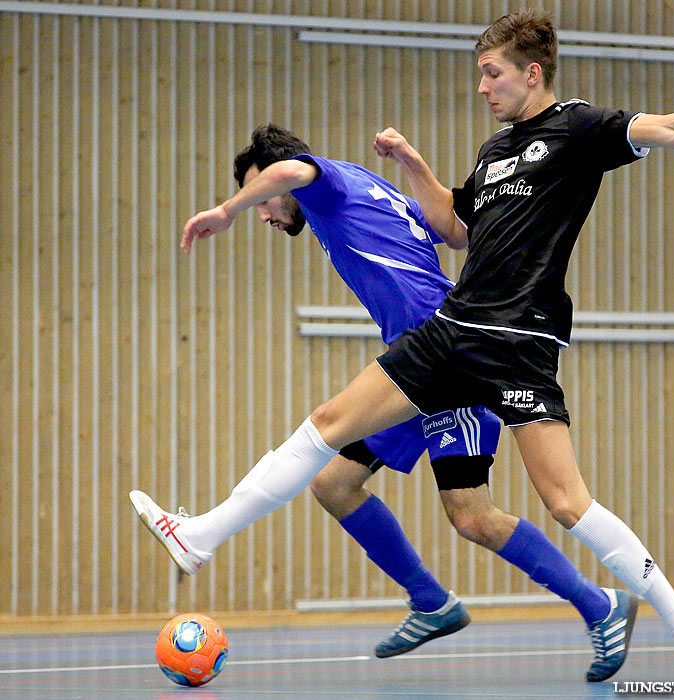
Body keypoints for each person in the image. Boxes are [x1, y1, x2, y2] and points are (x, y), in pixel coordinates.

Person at [131, 8, 674, 682]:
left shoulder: (578, 128)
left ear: (531, 73)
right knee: (326, 434)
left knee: (566, 504)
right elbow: (455, 230)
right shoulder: (492, 154)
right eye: (480, 76)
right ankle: (202, 536)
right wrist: (416, 164)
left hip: (521, 341)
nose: (483, 88)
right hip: (454, 328)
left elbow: (671, 127)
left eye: (492, 75)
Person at [131, 123, 638, 681]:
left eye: (261, 198)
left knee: (443, 498)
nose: (263, 212)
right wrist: (414, 165)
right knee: (342, 484)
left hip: (449, 359)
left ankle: (598, 605)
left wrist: (226, 209)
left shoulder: (322, 184)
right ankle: (432, 601)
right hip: (416, 358)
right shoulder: (369, 187)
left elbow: (293, 170)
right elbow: (453, 232)